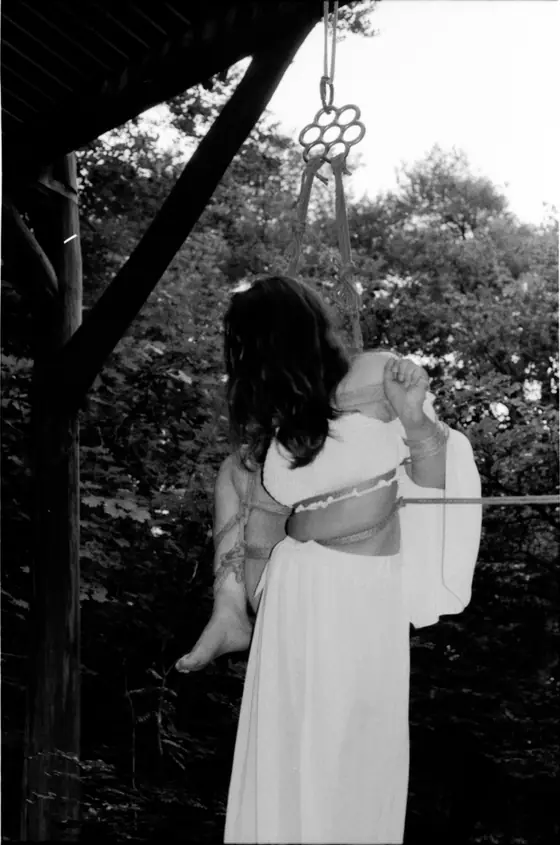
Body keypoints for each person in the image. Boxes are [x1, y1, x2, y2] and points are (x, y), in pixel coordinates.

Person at [176, 275, 482, 844]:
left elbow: (438, 481)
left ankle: (232, 616)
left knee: (350, 749)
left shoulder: (377, 372)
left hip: (363, 590)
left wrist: (415, 418)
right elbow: (259, 510)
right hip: (293, 588)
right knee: (292, 747)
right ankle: (229, 613)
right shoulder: (279, 417)